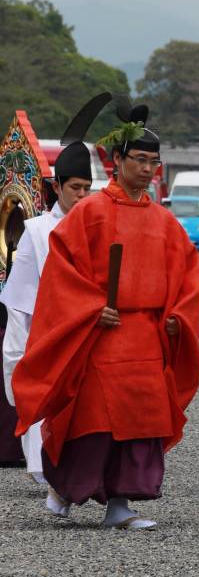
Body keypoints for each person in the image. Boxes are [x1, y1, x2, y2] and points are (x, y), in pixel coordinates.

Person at [11, 98, 199, 528]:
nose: (148, 169)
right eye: (140, 159)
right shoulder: (91, 213)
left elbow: (189, 272)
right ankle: (66, 488)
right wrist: (94, 307)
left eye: (155, 161)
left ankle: (120, 505)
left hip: (148, 333)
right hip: (103, 334)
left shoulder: (165, 221)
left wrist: (177, 315)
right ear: (117, 159)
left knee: (142, 423)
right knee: (95, 421)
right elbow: (63, 273)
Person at [1, 135, 94, 485]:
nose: (82, 195)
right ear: (57, 187)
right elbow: (20, 299)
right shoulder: (37, 232)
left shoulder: (96, 226)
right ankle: (45, 470)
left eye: (87, 188)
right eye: (75, 187)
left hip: (86, 331)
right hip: (46, 332)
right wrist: (18, 352)